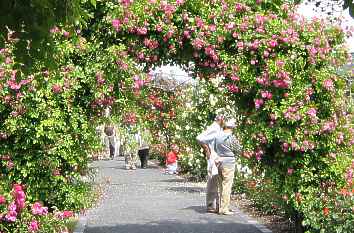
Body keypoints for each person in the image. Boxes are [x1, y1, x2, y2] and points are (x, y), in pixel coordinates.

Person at [196, 114, 225, 213]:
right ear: (220, 119)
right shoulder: (214, 127)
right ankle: (211, 204)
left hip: (216, 156)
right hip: (213, 157)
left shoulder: (218, 128)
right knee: (213, 180)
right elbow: (199, 137)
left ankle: (217, 205)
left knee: (216, 180)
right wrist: (206, 149)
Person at [214, 119, 242, 215]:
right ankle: (224, 209)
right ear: (231, 128)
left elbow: (214, 148)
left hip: (219, 161)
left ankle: (219, 207)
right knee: (227, 186)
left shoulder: (217, 136)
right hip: (228, 162)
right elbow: (238, 149)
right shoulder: (231, 137)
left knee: (220, 185)